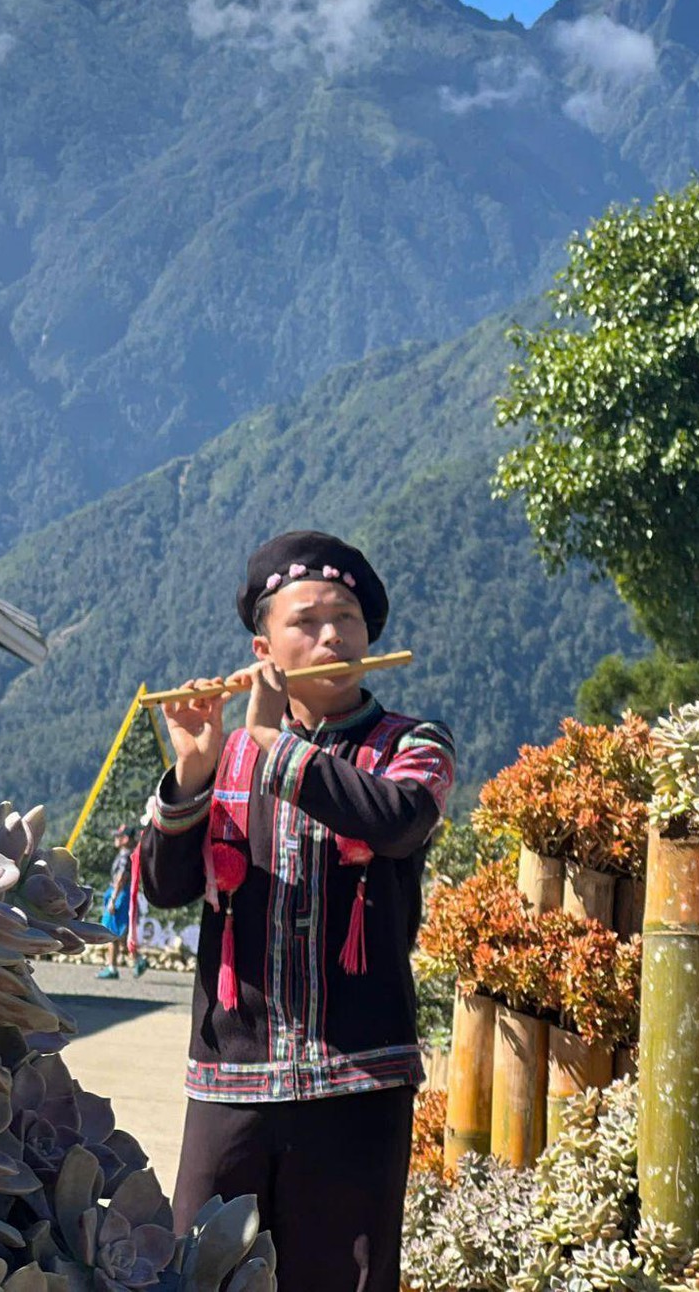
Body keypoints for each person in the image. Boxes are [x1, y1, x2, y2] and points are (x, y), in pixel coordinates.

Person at [137, 530, 453, 1291]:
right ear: (264, 647)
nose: (332, 635)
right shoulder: (229, 754)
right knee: (198, 1274)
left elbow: (398, 819)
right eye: (306, 621)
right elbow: (167, 886)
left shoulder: (414, 744)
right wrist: (193, 769)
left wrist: (270, 740)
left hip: (358, 1080)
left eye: (346, 618)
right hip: (231, 1081)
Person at [98, 824, 149, 979]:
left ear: (126, 839)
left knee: (111, 932)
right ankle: (138, 960)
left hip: (119, 894)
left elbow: (121, 878)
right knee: (121, 933)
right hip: (123, 894)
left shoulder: (124, 856)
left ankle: (112, 967)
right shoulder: (129, 855)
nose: (116, 839)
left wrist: (113, 898)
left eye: (118, 836)